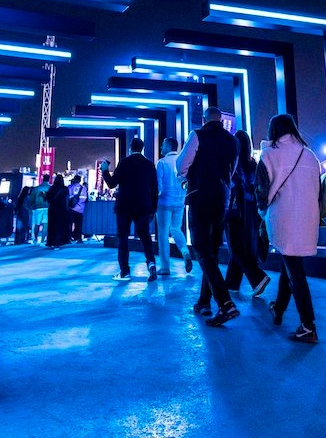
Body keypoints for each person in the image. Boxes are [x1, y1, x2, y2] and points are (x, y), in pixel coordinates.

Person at [259, 113, 323, 343]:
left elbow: (261, 192)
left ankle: (308, 325)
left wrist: (261, 213)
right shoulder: (310, 154)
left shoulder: (269, 154)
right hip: (307, 218)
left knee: (296, 273)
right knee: (291, 264)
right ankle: (278, 309)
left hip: (284, 219)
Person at [178, 106, 241, 326]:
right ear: (221, 119)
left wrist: (188, 176)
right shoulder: (233, 141)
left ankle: (225, 304)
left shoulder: (197, 135)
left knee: (201, 249)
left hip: (200, 195)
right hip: (222, 198)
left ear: (205, 119)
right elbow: (231, 171)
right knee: (211, 251)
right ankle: (204, 301)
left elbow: (181, 165)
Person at [198, 130, 271, 307]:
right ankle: (232, 283)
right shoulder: (253, 164)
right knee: (240, 244)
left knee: (236, 247)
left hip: (234, 210)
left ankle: (257, 278)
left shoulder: (234, 164)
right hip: (251, 211)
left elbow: (230, 186)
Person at [102, 138, 159, 281]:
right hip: (143, 206)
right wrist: (153, 209)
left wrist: (104, 171)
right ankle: (151, 264)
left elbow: (111, 184)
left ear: (130, 148)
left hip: (124, 206)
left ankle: (125, 271)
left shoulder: (124, 163)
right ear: (142, 148)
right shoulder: (149, 165)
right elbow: (154, 189)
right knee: (145, 236)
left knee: (123, 238)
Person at [155, 137, 194, 275]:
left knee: (163, 234)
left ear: (169, 145)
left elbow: (158, 187)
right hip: (180, 202)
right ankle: (185, 252)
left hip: (164, 203)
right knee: (176, 229)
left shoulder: (162, 163)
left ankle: (165, 267)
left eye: (163, 144)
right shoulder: (182, 161)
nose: (161, 147)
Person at [45, 174, 70, 249]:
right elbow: (66, 200)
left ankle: (50, 242)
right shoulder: (64, 189)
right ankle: (58, 242)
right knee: (59, 226)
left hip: (52, 209)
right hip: (61, 209)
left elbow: (48, 198)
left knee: (51, 226)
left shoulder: (52, 188)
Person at [30, 175, 52, 244]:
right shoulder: (51, 188)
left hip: (38, 208)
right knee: (45, 224)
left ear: (42, 179)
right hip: (48, 208)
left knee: (37, 224)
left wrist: (31, 206)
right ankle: (42, 240)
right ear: (49, 179)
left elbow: (32, 199)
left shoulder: (36, 188)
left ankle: (36, 239)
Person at [68, 174, 88, 243]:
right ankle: (78, 238)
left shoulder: (70, 187)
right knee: (78, 224)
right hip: (80, 209)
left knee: (69, 224)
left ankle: (69, 237)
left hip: (71, 208)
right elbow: (85, 199)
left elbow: (68, 198)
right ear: (79, 181)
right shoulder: (84, 188)